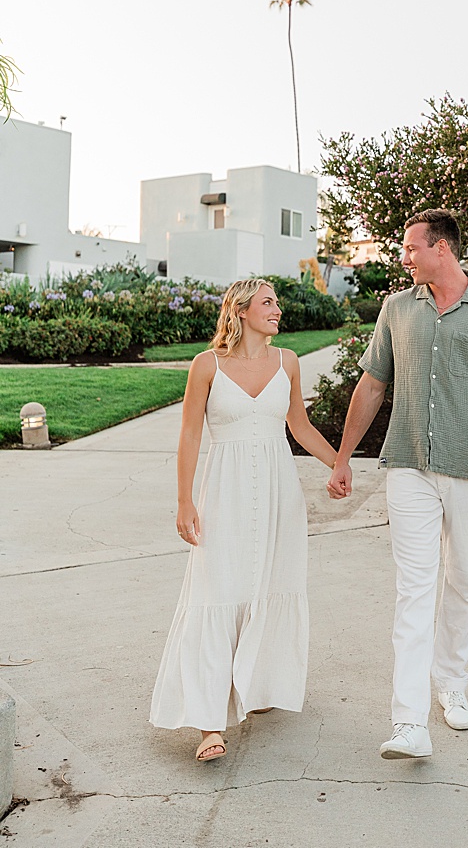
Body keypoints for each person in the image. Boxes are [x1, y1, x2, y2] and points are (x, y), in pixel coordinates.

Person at [327, 208, 468, 760]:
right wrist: (344, 457)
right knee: (414, 590)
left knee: (465, 580)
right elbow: (373, 384)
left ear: (441, 248)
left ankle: (452, 684)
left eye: (410, 248)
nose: (403, 256)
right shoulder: (397, 309)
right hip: (409, 465)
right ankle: (408, 723)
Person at [151, 278, 344, 762]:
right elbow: (190, 436)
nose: (278, 310)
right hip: (224, 493)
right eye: (268, 303)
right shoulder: (207, 366)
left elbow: (298, 425)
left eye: (277, 302)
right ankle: (208, 723)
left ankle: (257, 686)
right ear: (240, 311)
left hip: (280, 494)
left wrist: (338, 463)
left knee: (269, 586)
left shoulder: (288, 362)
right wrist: (184, 500)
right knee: (215, 593)